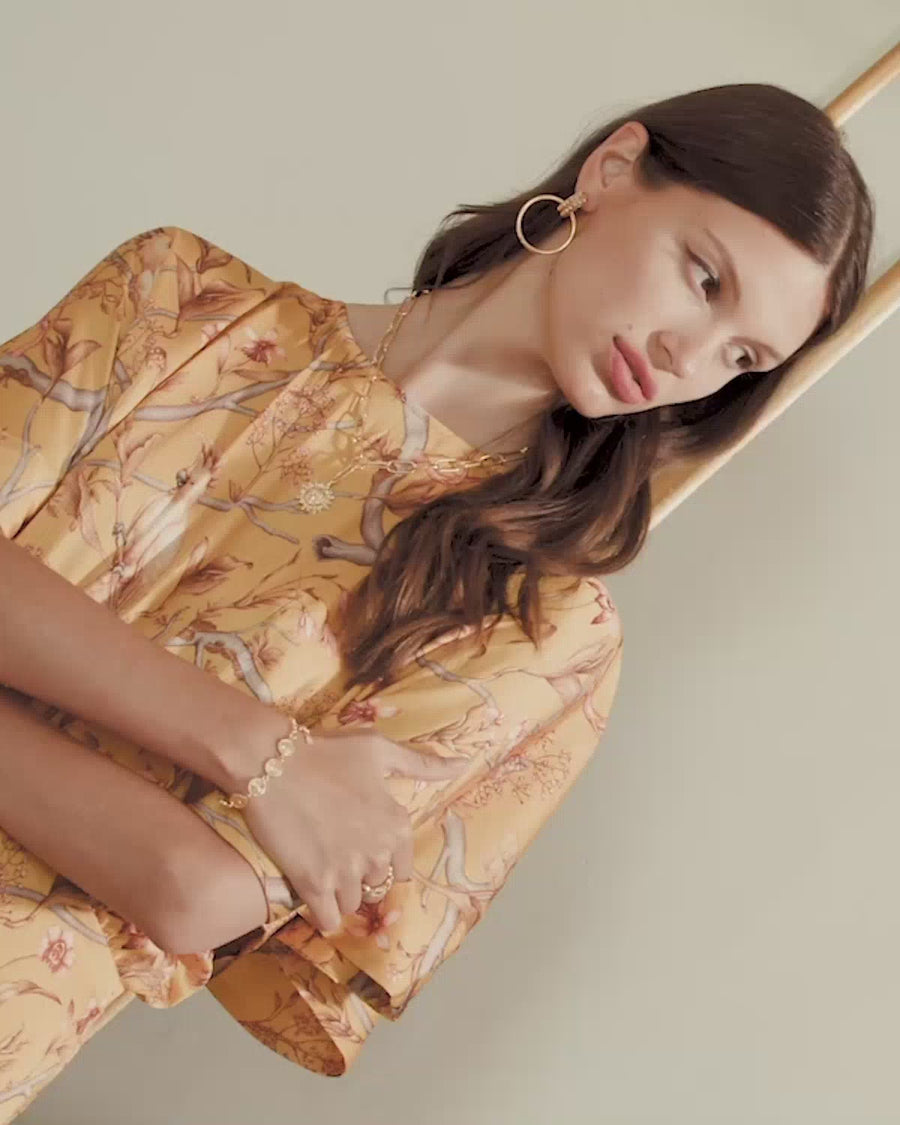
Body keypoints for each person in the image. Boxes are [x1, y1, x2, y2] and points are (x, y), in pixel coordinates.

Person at [0, 81, 872, 1117]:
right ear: (612, 171)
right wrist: (261, 752)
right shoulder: (179, 299)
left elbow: (190, 894)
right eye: (704, 276)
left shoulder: (544, 635)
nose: (689, 356)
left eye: (743, 358)